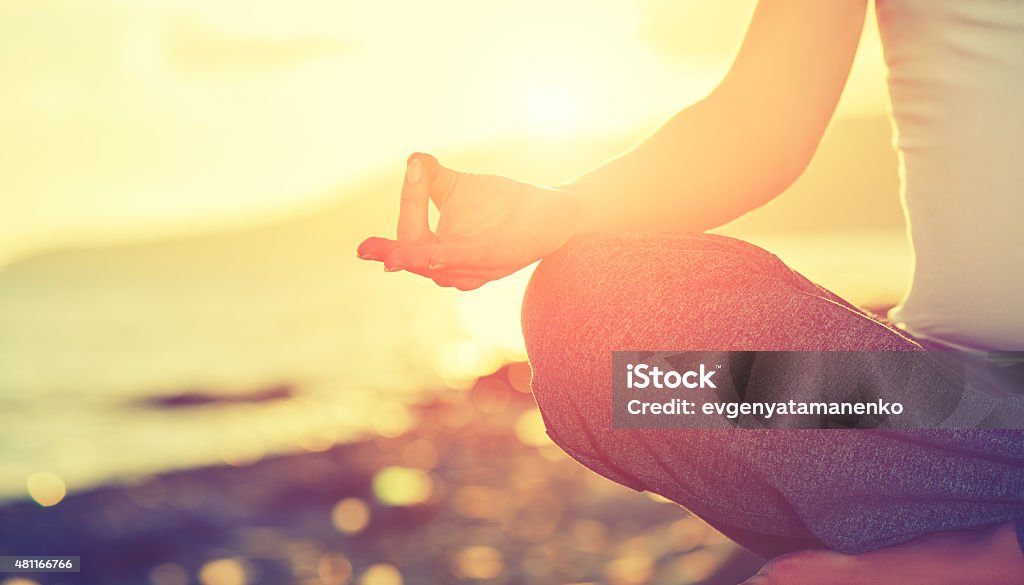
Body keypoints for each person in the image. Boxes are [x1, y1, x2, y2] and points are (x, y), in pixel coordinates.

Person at [358, 0, 1024, 582]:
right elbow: (761, 120)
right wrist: (568, 211)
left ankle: (989, 551)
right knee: (595, 319)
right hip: (961, 420)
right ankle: (972, 521)